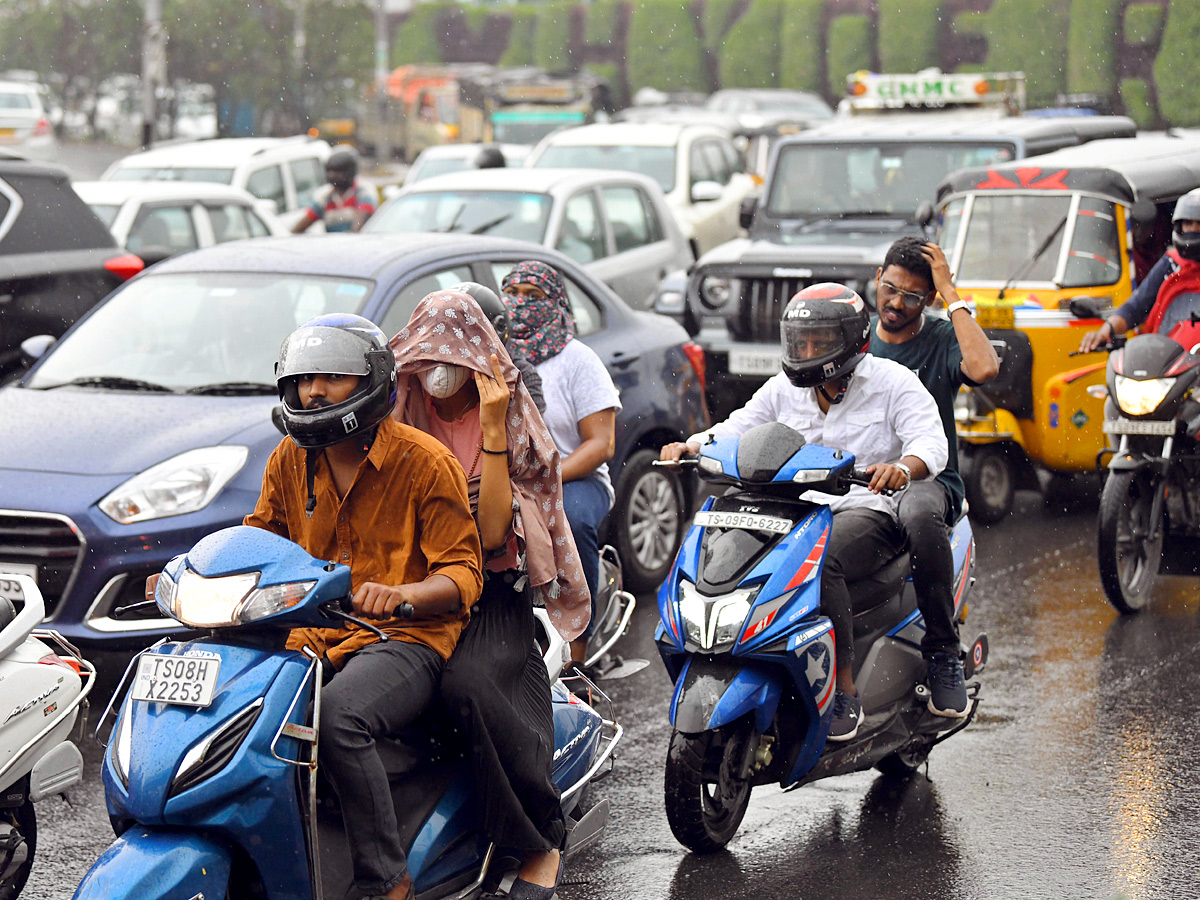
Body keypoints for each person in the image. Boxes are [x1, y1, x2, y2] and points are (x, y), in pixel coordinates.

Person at [248, 314, 483, 900]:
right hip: (313, 633)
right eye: (304, 379)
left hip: (406, 638)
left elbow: (463, 573)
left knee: (341, 717)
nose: (313, 392)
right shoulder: (289, 458)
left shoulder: (424, 461)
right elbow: (260, 539)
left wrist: (403, 595)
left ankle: (385, 880)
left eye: (331, 377)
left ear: (371, 382)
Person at [660, 284, 947, 742]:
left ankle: (843, 688)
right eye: (801, 342)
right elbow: (737, 427)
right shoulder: (781, 390)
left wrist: (900, 468)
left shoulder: (894, 383)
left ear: (853, 339)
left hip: (866, 510)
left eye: (821, 341)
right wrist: (692, 446)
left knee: (822, 558)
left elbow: (930, 444)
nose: (808, 351)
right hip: (793, 512)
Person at [390, 289, 590, 900]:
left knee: (468, 684)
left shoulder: (507, 414)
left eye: (451, 354)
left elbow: (495, 529)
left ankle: (537, 841)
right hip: (413, 585)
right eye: (428, 355)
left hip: (490, 592)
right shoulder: (402, 406)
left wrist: (496, 426)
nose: (438, 369)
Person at [868, 237, 1000, 718]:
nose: (896, 304)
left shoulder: (942, 338)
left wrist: (949, 290)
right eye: (890, 289)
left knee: (921, 514)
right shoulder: (855, 338)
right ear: (877, 280)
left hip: (926, 481)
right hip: (854, 480)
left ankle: (943, 650)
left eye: (913, 297)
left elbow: (984, 366)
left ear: (928, 301)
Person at [500, 261, 621, 671]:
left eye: (532, 297)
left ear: (556, 303)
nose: (519, 304)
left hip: (574, 478)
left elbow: (601, 443)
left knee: (570, 522)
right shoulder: (495, 353)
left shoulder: (577, 360)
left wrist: (546, 479)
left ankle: (578, 642)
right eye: (512, 294)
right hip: (508, 475)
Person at [1080, 188, 1200, 351]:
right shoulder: (1171, 264)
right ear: (1179, 226)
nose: (1193, 229)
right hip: (1168, 363)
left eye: (1199, 223)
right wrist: (1105, 331)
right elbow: (1135, 307)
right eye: (1187, 223)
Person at [449, 281, 545, 413]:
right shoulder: (432, 377)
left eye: (467, 332)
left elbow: (533, 429)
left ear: (497, 329)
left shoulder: (518, 375)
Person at [292, 147, 377, 233]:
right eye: (330, 171)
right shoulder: (325, 198)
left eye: (337, 172)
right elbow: (299, 227)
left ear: (350, 172)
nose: (332, 176)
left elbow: (358, 225)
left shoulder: (363, 193)